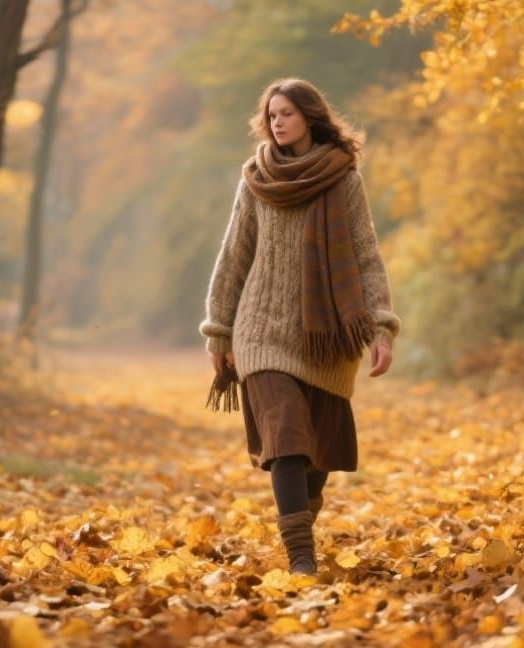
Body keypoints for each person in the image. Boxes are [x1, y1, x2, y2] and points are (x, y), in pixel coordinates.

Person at [199, 78, 401, 575]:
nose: (277, 122)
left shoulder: (343, 181)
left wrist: (381, 327)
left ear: (310, 116)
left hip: (325, 335)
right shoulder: (255, 179)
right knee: (285, 438)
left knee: (318, 458)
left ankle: (301, 523)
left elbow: (365, 256)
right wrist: (219, 331)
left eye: (286, 113)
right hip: (260, 330)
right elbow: (233, 257)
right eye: (271, 115)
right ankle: (301, 560)